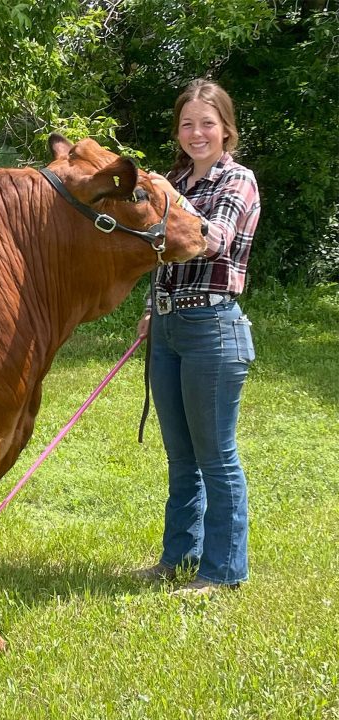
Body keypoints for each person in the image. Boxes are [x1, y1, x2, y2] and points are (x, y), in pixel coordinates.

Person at [134, 79, 260, 595]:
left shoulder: (238, 180)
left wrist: (169, 215)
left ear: (225, 129)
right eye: (187, 123)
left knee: (217, 455)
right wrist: (150, 309)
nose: (196, 132)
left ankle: (223, 570)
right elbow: (159, 259)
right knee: (181, 454)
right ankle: (178, 556)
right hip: (168, 327)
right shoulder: (175, 181)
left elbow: (216, 238)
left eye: (207, 123)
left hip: (213, 328)